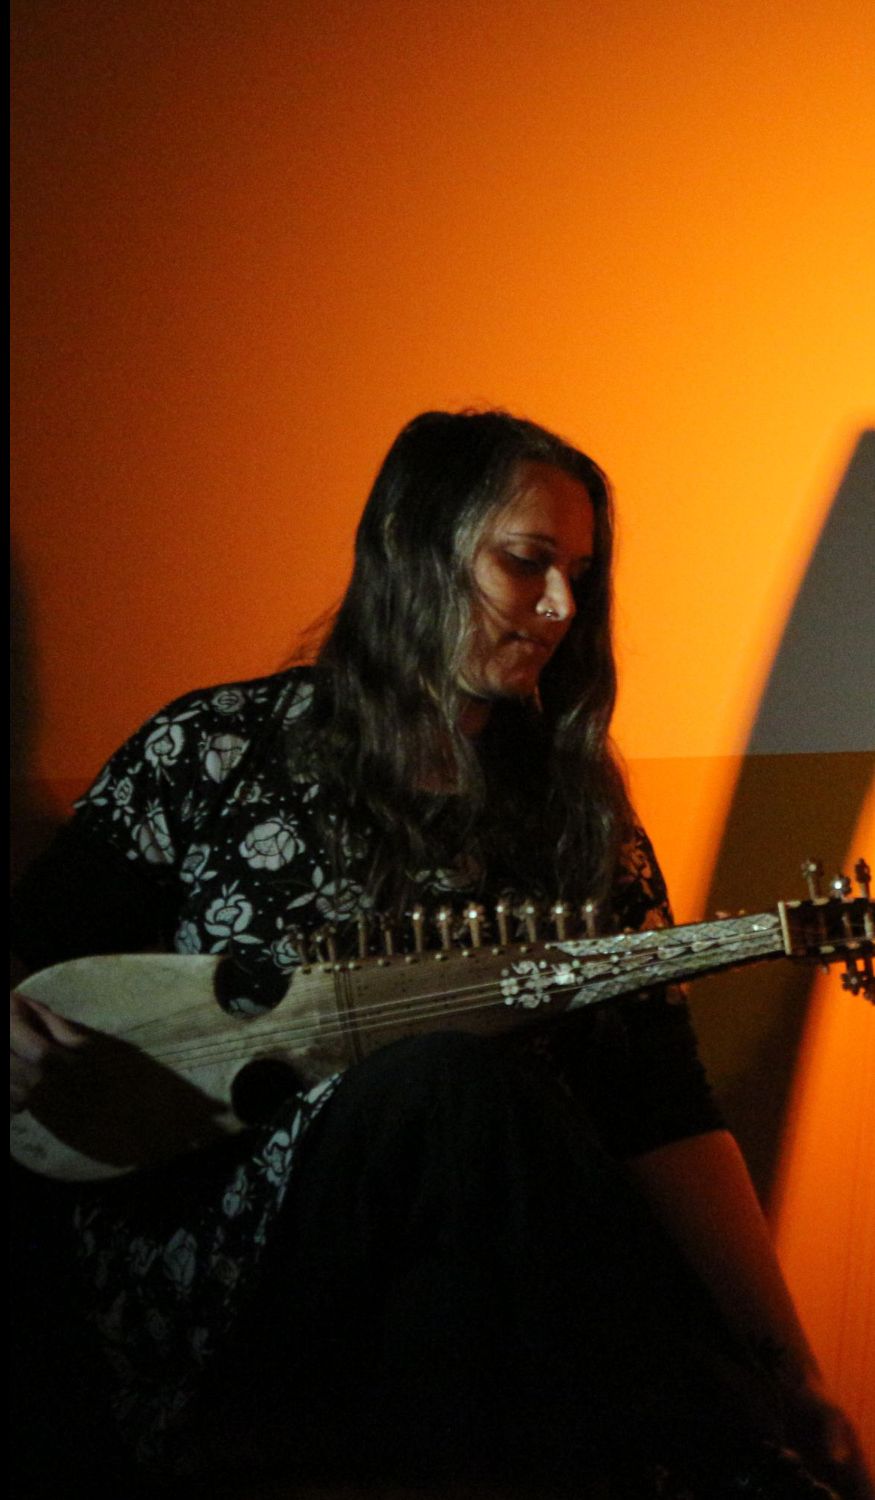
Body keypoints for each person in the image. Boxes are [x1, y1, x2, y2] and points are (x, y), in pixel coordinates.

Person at [10, 410, 871, 1498]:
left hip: (473, 1286)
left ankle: (732, 1441)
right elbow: (33, 949)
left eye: (577, 577)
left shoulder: (571, 815)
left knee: (490, 1154)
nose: (560, 608)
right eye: (525, 562)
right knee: (444, 1084)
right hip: (240, 1288)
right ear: (415, 549)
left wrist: (790, 1371)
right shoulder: (212, 754)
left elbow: (657, 1106)